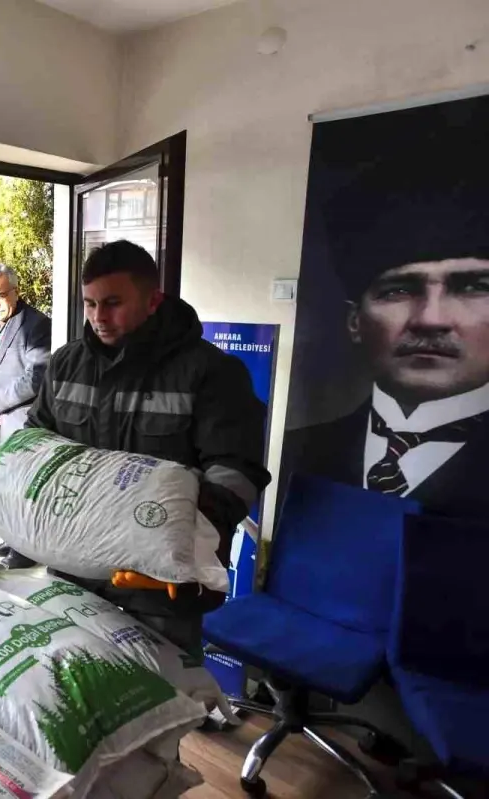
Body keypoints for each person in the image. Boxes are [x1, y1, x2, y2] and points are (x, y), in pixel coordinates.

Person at [26, 240, 270, 654]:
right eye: (89, 304)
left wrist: (177, 537)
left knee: (164, 702)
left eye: (113, 303)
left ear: (153, 300)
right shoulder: (65, 366)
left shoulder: (212, 372)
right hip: (72, 573)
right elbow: (35, 444)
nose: (99, 317)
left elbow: (237, 470)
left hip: (159, 586)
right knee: (77, 696)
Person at [283, 215, 489, 517]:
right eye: (398, 291)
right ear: (355, 321)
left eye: (472, 288)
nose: (430, 320)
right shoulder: (294, 453)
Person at [0, 263, 51, 566]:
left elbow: (37, 377)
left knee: (21, 492)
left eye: (1, 295)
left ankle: (24, 552)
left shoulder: (37, 325)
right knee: (1, 487)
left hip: (21, 424)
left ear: (15, 292)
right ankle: (7, 541)